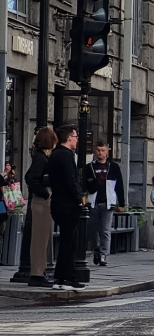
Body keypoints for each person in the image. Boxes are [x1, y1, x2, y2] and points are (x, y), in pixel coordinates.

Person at [47, 125, 84, 291]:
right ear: (69, 138)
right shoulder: (66, 155)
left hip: (57, 201)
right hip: (67, 203)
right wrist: (79, 199)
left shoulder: (55, 154)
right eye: (75, 136)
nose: (77, 139)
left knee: (68, 239)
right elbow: (71, 180)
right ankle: (67, 277)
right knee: (69, 242)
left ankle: (61, 277)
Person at [82, 139, 125, 267]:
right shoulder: (89, 167)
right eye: (98, 150)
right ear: (95, 151)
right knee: (92, 229)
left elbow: (119, 186)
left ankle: (103, 254)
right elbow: (84, 184)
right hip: (93, 202)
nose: (100, 153)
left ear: (107, 152)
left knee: (105, 230)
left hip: (108, 202)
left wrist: (121, 203)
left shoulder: (113, 167)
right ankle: (96, 248)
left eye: (103, 151)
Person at [23, 128, 57, 287]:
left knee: (42, 238)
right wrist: (44, 193)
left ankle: (39, 271)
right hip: (41, 201)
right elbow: (30, 178)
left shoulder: (42, 156)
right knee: (39, 239)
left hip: (42, 200)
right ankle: (37, 273)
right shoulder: (41, 158)